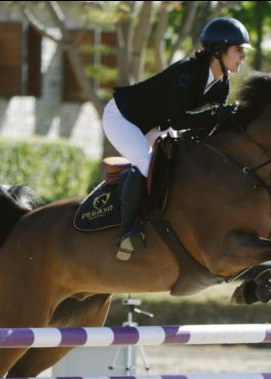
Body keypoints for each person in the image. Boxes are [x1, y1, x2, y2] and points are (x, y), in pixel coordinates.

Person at [103, 17, 251, 261]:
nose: (243, 57)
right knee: (147, 164)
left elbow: (209, 126)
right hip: (123, 117)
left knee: (178, 166)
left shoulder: (222, 83)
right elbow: (181, 120)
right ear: (218, 50)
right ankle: (127, 231)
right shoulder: (188, 72)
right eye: (238, 50)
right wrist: (216, 114)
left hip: (156, 124)